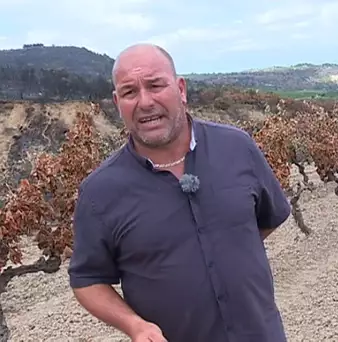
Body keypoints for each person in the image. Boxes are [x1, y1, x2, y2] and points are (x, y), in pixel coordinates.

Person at [68, 43, 291, 342]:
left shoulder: (238, 148)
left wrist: (224, 244)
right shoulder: (100, 191)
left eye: (155, 85)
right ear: (117, 102)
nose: (145, 102)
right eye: (130, 92)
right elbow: (87, 279)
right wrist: (134, 325)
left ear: (181, 89)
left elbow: (267, 218)